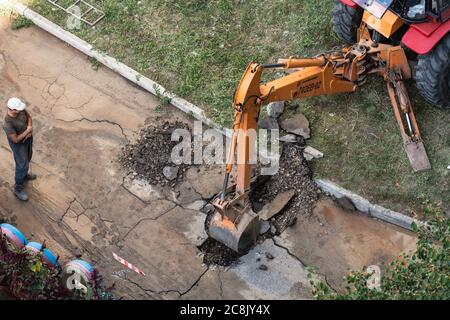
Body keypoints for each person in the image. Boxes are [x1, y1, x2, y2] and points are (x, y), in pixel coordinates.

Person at [2, 97, 36, 201]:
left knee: (29, 156)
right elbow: (15, 139)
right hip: (19, 145)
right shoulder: (7, 123)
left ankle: (24, 175)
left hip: (28, 139)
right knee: (22, 165)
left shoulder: (20, 110)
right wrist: (27, 131)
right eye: (18, 109)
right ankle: (17, 188)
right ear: (12, 109)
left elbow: (29, 116)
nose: (21, 110)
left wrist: (29, 128)